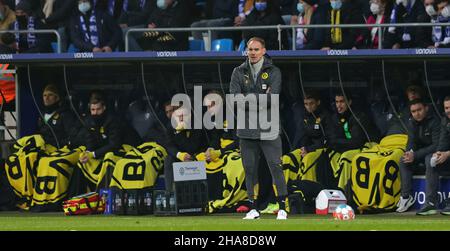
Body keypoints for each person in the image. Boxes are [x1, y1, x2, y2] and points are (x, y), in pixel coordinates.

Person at [229, 37, 288, 220]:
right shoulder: (238, 71)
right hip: (246, 130)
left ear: (263, 50)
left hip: (269, 128)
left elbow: (274, 98)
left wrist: (248, 98)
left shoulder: (274, 71)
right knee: (250, 169)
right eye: (250, 49)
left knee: (275, 167)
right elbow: (235, 99)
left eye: (256, 49)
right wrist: (261, 98)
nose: (252, 53)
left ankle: (282, 208)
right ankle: (253, 208)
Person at [328, 91, 380, 190]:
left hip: (367, 146)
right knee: (331, 154)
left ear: (349, 102)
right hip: (348, 146)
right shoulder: (335, 117)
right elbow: (333, 138)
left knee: (345, 157)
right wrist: (335, 142)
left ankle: (343, 190)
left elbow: (357, 142)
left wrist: (336, 142)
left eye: (342, 102)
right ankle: (333, 185)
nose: (339, 105)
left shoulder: (358, 116)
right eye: (337, 102)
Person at [396, 98, 441, 213]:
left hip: (435, 153)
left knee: (429, 159)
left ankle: (431, 201)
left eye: (419, 109)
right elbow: (411, 142)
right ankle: (406, 197)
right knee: (403, 160)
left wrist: (415, 155)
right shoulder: (411, 123)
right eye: (414, 111)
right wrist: (409, 152)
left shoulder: (435, 121)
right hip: (419, 155)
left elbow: (436, 145)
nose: (417, 113)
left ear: (426, 108)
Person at [414, 96, 450, 215]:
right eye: (446, 108)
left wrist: (447, 153)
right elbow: (443, 141)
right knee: (431, 159)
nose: (448, 110)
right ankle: (431, 203)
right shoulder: (445, 120)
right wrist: (439, 152)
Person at [162, 105, 207, 192]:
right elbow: (169, 145)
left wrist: (179, 133)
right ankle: (170, 192)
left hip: (196, 154)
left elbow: (193, 146)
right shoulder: (171, 127)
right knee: (168, 159)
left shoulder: (197, 125)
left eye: (184, 115)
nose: (181, 118)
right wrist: (179, 154)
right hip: (181, 156)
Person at [37, 84, 79, 148]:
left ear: (57, 97)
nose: (46, 98)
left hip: (58, 151)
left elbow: (72, 137)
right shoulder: (41, 114)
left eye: (50, 95)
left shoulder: (65, 114)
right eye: (44, 95)